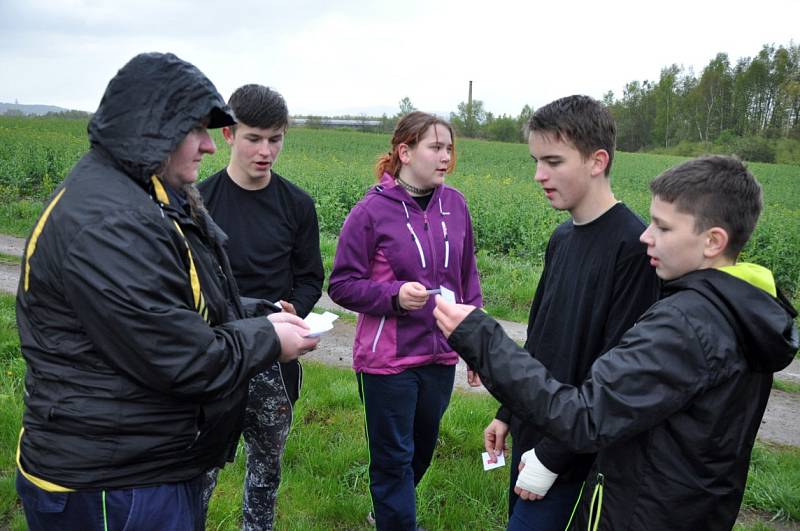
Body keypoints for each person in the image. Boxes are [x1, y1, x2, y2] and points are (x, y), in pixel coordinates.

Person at [14, 52, 318, 531]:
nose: (208, 146)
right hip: (112, 482)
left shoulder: (141, 196)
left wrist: (259, 312)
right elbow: (185, 359)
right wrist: (267, 338)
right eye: (194, 130)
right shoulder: (111, 224)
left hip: (142, 463)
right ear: (149, 129)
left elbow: (176, 303)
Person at [435, 155, 798, 530]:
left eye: (663, 227)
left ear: (712, 241)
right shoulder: (741, 307)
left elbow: (584, 417)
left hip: (640, 513)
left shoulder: (687, 324)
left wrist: (482, 337)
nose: (646, 236)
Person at [479, 95, 659, 530]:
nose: (540, 175)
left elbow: (617, 373)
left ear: (597, 161)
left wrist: (553, 456)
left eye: (554, 161)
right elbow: (539, 338)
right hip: (535, 431)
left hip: (576, 453)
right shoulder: (562, 238)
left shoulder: (633, 248)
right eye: (536, 161)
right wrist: (508, 411)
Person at [328, 111, 482, 530]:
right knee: (393, 460)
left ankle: (388, 509)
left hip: (439, 355)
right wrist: (394, 296)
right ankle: (396, 520)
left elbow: (467, 277)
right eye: (435, 147)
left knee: (420, 453)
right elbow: (342, 285)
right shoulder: (371, 211)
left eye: (449, 148)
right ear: (405, 151)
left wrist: (476, 347)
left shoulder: (455, 205)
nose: (445, 156)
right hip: (387, 362)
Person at [198, 84, 323, 530]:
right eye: (254, 138)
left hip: (276, 355)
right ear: (229, 134)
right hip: (215, 356)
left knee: (266, 468)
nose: (266, 150)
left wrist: (296, 308)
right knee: (199, 470)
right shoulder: (198, 202)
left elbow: (311, 278)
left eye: (276, 138)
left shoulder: (297, 205)